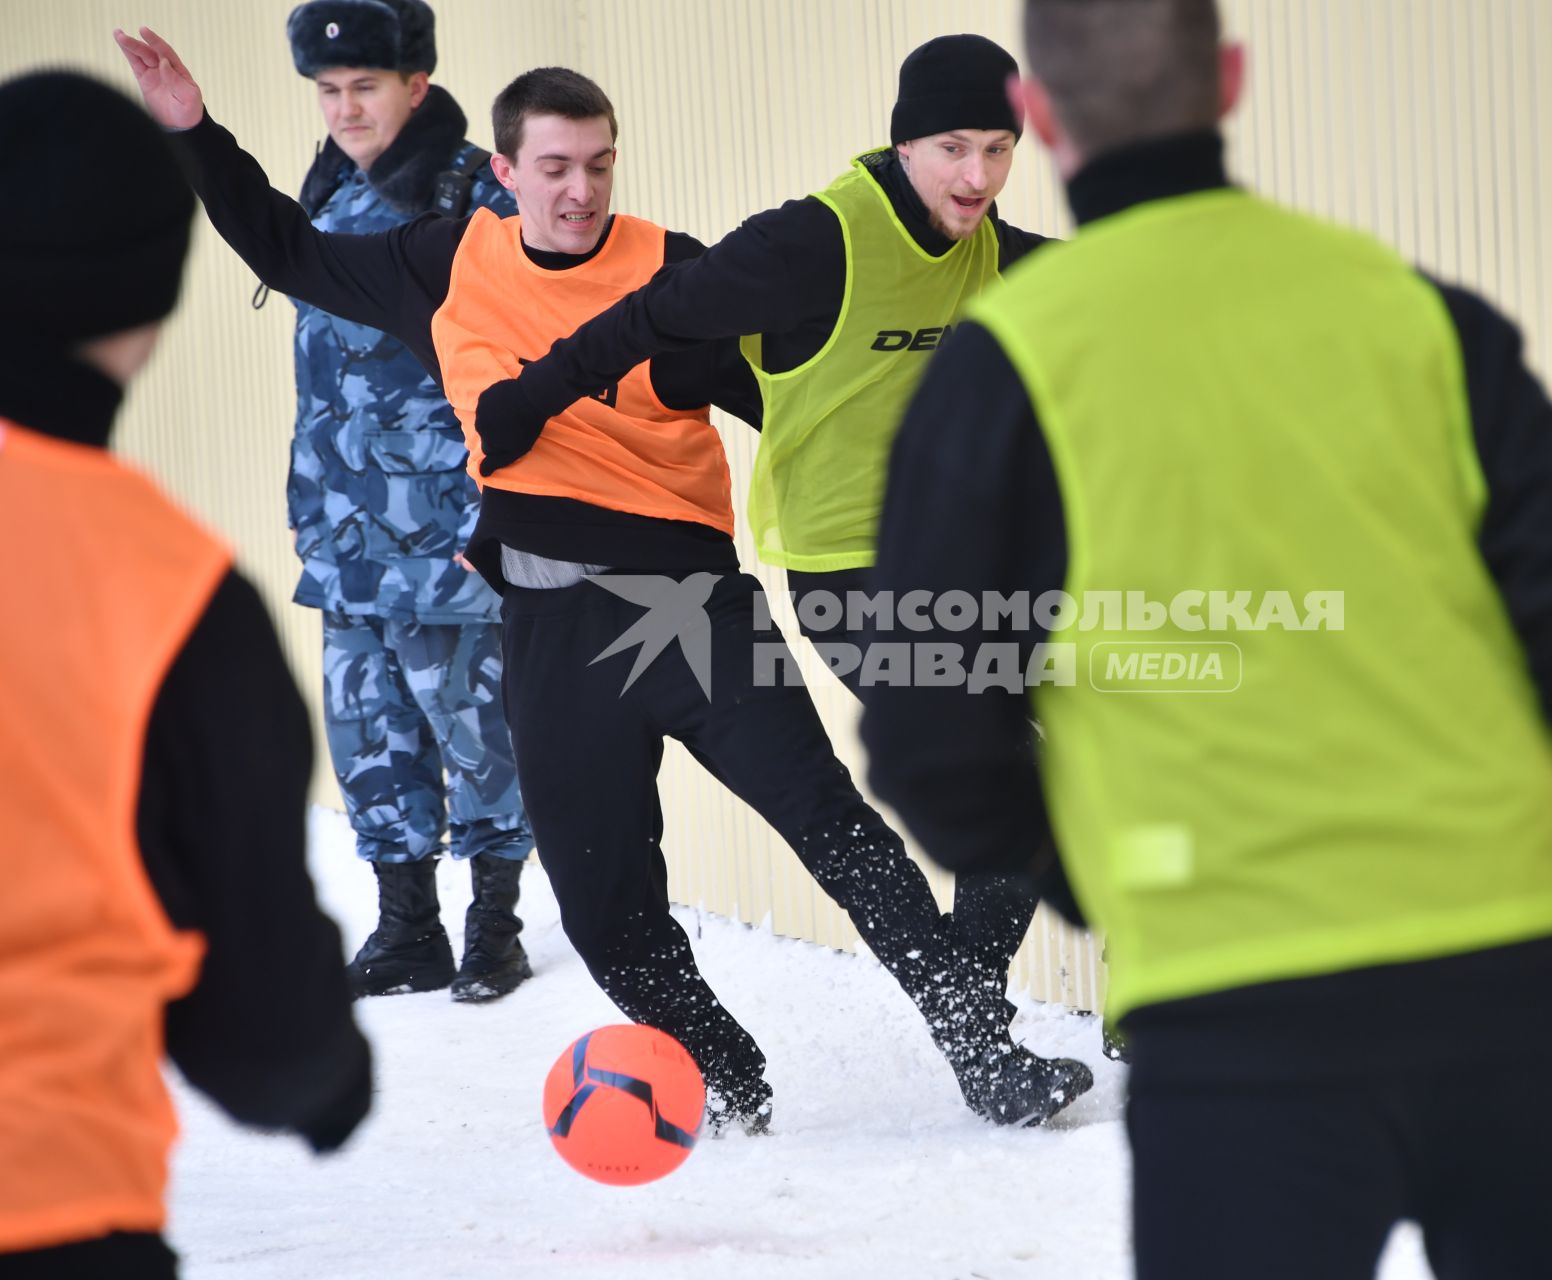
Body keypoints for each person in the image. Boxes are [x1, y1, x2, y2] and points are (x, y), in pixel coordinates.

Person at [861, 1, 1552, 1276]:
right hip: (1514, 977)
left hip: (1239, 1006)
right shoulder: (1414, 312)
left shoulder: (1004, 368)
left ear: (1043, 121)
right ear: (1229, 79)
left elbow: (925, 723)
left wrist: (1081, 872)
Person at [113, 26, 1084, 1130]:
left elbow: (803, 400)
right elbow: (285, 250)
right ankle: (728, 1076)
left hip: (687, 604)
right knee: (604, 912)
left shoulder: (674, 272)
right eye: (557, 167)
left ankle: (981, 1048)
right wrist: (195, 132)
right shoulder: (444, 264)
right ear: (506, 171)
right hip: (548, 619)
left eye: (600, 164)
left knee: (835, 826)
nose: (580, 191)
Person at [471, 35, 1087, 1093]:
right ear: (904, 142)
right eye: (953, 148)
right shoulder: (805, 245)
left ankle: (972, 1021)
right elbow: (655, 315)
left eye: (997, 148)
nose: (976, 176)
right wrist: (536, 394)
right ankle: (796, 1056)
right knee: (615, 906)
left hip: (868, 577)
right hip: (820, 582)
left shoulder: (995, 251)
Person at [0, 70, 371, 1279]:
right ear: (152, 301)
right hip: (47, 1203)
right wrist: (327, 1083)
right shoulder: (169, 594)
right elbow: (260, 1022)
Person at [277, 0, 535, 1004]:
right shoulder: (329, 185)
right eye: (330, 90)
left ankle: (496, 925)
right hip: (341, 522)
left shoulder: (472, 189)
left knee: (474, 725)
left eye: (365, 88)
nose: (344, 108)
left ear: (415, 86)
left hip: (441, 524)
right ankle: (407, 926)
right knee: (368, 729)